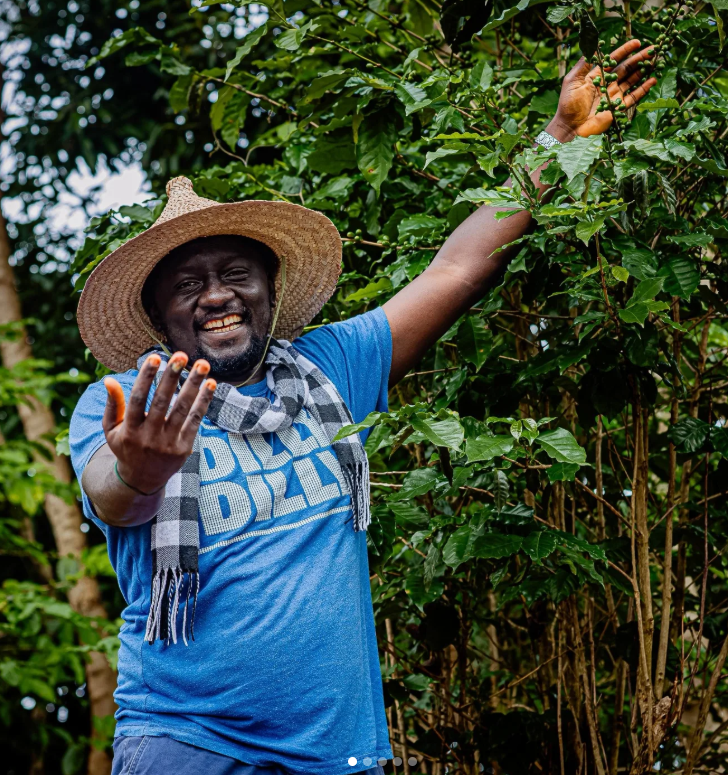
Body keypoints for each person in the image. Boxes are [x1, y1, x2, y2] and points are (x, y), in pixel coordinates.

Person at [69, 41, 656, 775]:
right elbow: (109, 496)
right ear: (160, 316)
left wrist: (559, 138)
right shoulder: (122, 402)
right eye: (188, 283)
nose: (215, 294)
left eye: (234, 273)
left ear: (269, 290)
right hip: (186, 742)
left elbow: (459, 266)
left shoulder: (330, 366)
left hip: (334, 749)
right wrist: (141, 473)